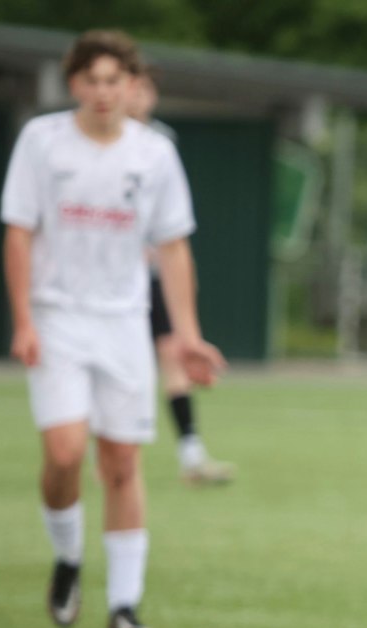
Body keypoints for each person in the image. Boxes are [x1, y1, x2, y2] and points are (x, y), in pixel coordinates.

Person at [1, 30, 225, 628]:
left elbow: (173, 247)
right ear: (75, 84)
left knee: (123, 461)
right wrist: (23, 320)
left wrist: (188, 336)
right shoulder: (41, 141)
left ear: (132, 86)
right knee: (65, 453)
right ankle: (68, 556)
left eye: (114, 80)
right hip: (57, 317)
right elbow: (18, 232)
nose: (103, 92)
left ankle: (125, 605)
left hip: (124, 322)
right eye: (92, 80)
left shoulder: (154, 153)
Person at [126, 68, 235, 487]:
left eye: (145, 88)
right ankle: (108, 453)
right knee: (118, 367)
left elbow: (170, 224)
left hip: (154, 278)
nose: (137, 96)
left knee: (172, 354)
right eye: (131, 87)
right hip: (110, 285)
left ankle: (191, 454)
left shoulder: (160, 143)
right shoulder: (86, 141)